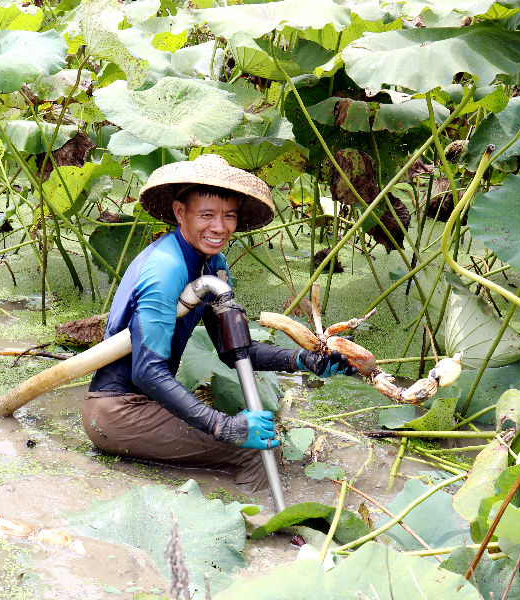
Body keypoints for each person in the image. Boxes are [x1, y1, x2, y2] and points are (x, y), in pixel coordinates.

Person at [83, 154, 354, 492]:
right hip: (119, 412)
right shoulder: (166, 268)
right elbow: (146, 371)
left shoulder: (213, 265)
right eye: (207, 215)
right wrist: (225, 427)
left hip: (149, 403)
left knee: (263, 437)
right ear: (181, 212)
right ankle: (267, 535)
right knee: (257, 451)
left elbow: (234, 352)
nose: (220, 227)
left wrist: (303, 360)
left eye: (229, 216)